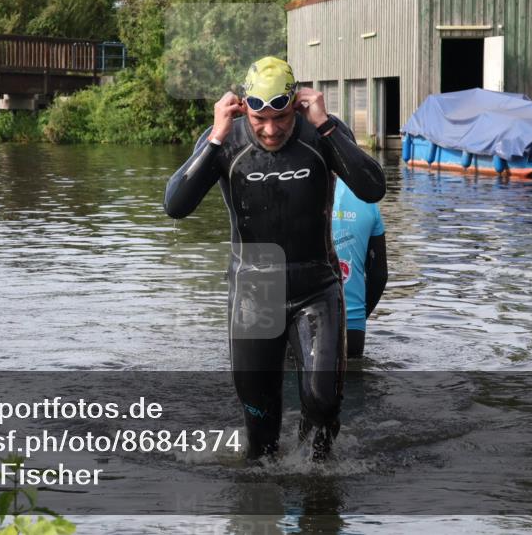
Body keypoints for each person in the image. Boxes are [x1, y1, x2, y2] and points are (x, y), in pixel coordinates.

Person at [164, 56, 386, 462]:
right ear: (243, 105)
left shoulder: (321, 132)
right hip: (254, 291)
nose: (270, 130)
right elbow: (175, 206)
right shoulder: (224, 139)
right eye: (259, 119)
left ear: (296, 104)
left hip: (316, 286)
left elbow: (373, 189)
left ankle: (316, 487)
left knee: (323, 404)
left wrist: (325, 125)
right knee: (260, 429)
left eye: (281, 117)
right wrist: (214, 137)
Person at [331, 181, 388, 359]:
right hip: (353, 327)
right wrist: (358, 317)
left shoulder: (300, 189)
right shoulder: (368, 199)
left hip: (305, 321)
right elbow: (379, 276)